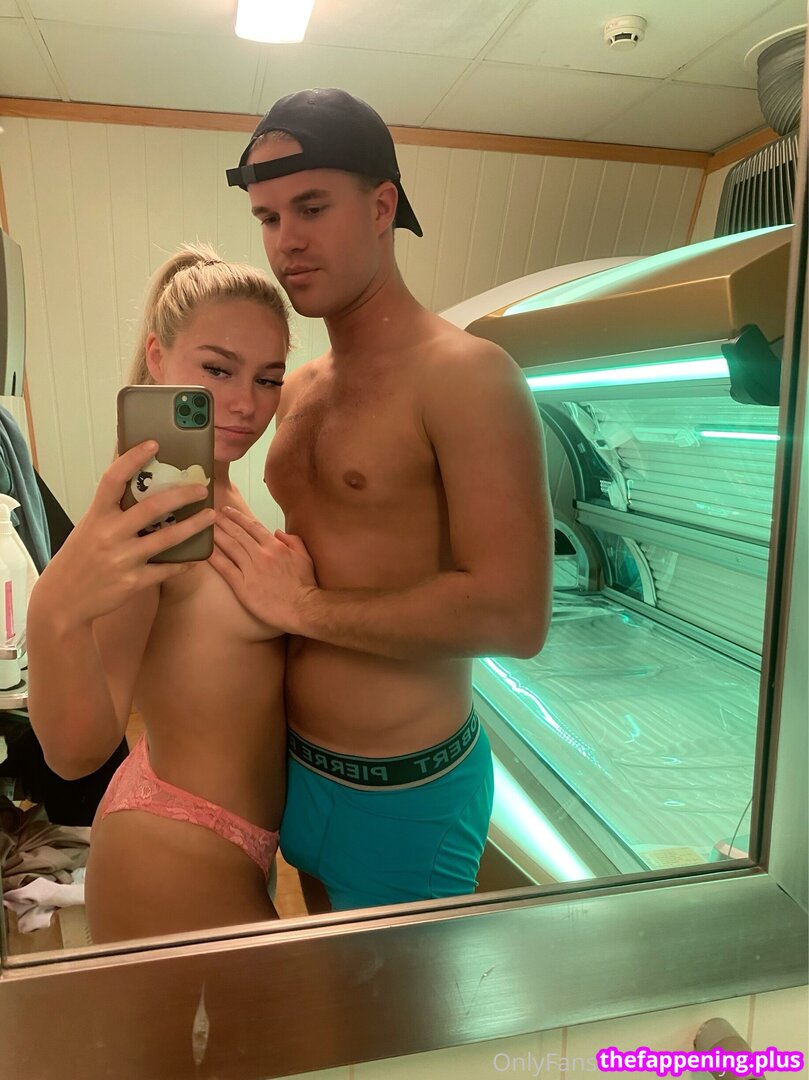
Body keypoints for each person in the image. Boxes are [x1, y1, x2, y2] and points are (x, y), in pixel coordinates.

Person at [214, 88, 554, 913]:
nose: (286, 242)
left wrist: (304, 609)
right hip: (293, 768)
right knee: (319, 985)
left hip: (406, 794)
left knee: (387, 1003)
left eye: (311, 208)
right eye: (267, 218)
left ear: (380, 207)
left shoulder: (467, 376)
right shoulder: (298, 387)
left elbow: (514, 616)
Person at [26, 244, 291, 942]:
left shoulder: (219, 495)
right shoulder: (150, 520)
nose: (246, 402)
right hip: (175, 845)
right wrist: (54, 610)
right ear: (156, 356)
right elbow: (76, 752)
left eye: (268, 378)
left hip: (234, 838)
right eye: (217, 369)